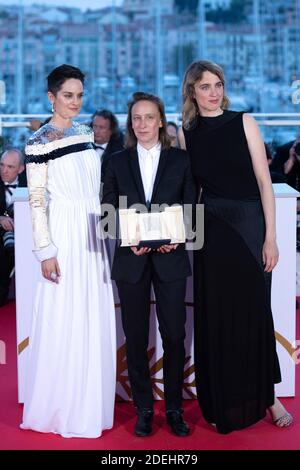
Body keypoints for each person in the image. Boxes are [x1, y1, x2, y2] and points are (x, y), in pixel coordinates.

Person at [179, 60, 293, 434]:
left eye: (218, 85)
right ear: (192, 91)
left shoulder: (244, 121)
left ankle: (269, 397)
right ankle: (221, 396)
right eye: (205, 86)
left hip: (248, 226)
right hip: (211, 231)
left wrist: (271, 237)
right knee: (218, 316)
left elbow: (265, 182)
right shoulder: (187, 131)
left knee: (256, 313)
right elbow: (190, 189)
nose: (213, 92)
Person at [20, 64, 116, 438]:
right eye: (67, 95)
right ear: (51, 97)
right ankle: (60, 408)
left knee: (91, 316)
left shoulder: (84, 132)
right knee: (65, 318)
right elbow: (38, 199)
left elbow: (96, 184)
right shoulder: (38, 141)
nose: (75, 102)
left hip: (92, 232)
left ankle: (89, 404)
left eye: (79, 95)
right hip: (63, 234)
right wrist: (45, 250)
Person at [102, 92, 196, 437]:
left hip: (171, 258)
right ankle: (144, 408)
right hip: (131, 259)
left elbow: (190, 207)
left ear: (160, 120)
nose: (142, 124)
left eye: (148, 117)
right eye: (136, 118)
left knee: (173, 334)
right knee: (137, 335)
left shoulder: (182, 161)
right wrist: (129, 237)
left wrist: (179, 235)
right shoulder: (114, 161)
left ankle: (173, 408)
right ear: (130, 123)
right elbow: (107, 211)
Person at [0, 149, 26, 307]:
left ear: (21, 169)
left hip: (25, 239)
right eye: (2, 165)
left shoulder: (31, 183)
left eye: (10, 167)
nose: (4, 170)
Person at [90, 109, 124, 185]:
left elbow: (123, 187)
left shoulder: (120, 152)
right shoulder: (82, 146)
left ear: (111, 130)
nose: (96, 131)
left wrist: (122, 198)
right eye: (95, 126)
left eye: (102, 127)